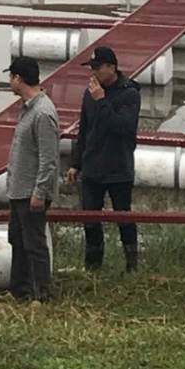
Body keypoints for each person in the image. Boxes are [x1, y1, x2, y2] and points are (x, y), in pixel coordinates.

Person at [67, 45, 141, 273]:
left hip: (118, 167)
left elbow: (123, 128)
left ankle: (131, 266)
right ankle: (93, 267)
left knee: (124, 218)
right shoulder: (90, 93)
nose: (94, 73)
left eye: (98, 68)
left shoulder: (130, 94)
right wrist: (75, 163)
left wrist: (101, 101)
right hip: (92, 168)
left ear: (112, 67)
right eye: (92, 68)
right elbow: (84, 130)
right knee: (90, 219)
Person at [5, 55, 59, 301]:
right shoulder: (27, 109)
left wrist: (40, 192)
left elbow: (49, 159)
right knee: (17, 240)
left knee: (34, 244)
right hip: (18, 189)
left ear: (18, 79)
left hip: (31, 192)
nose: (9, 81)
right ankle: (20, 290)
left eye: (11, 76)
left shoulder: (43, 113)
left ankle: (43, 293)